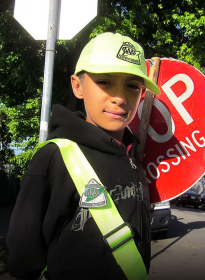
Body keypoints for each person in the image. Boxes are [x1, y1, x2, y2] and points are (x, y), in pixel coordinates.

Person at [6, 32, 160, 280]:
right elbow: (24, 257)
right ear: (77, 86)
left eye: (132, 85)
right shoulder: (55, 156)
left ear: (142, 94)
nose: (120, 98)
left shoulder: (133, 157)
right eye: (105, 82)